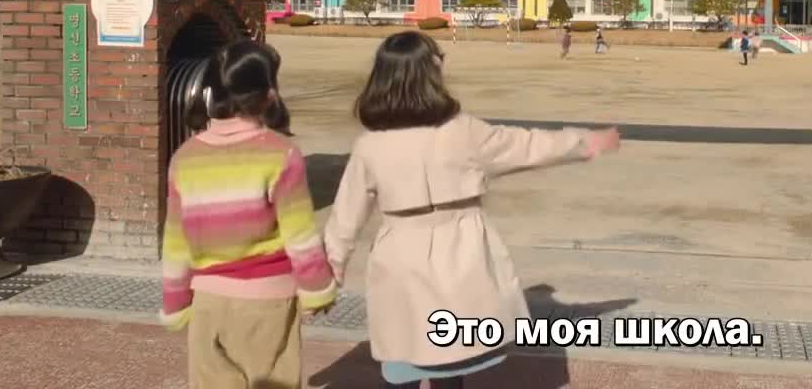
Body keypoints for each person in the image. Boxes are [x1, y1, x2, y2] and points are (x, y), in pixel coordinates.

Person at [323, 31, 620, 389]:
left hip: (399, 256)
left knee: (404, 356)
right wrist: (587, 142)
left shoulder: (369, 146)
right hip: (461, 250)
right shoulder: (464, 132)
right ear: (432, 71)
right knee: (453, 355)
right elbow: (529, 146)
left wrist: (328, 273)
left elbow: (344, 219)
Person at [160, 40, 337, 389]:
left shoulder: (184, 158)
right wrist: (317, 289)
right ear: (269, 95)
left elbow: (176, 243)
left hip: (208, 304)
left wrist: (175, 303)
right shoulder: (281, 153)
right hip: (270, 303)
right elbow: (300, 236)